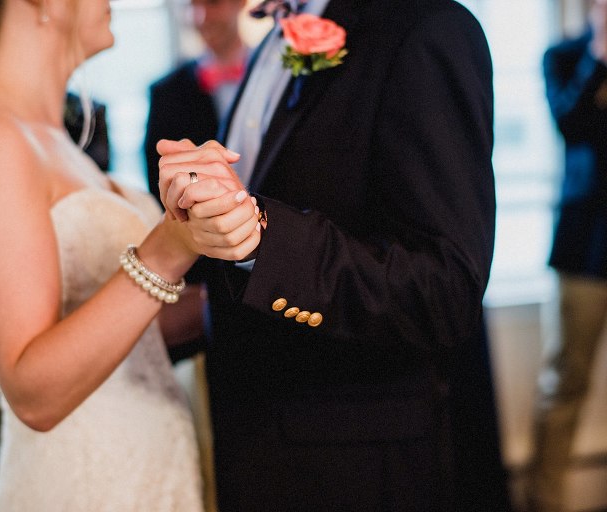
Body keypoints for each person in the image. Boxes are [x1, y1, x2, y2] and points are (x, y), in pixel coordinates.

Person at [0, 0, 259, 510]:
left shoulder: (47, 137)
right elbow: (32, 389)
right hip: (80, 485)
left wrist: (268, 270)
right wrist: (169, 248)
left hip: (149, 473)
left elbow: (131, 333)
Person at [152, 0, 512, 510]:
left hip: (356, 466)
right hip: (252, 447)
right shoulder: (271, 44)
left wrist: (264, 240)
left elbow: (445, 288)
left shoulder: (425, 29)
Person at [528, 1, 607, 510]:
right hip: (586, 244)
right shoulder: (562, 56)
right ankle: (544, 502)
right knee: (565, 381)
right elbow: (570, 126)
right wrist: (599, 56)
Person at [144, 0, 248, 202]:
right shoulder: (166, 92)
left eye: (213, 3)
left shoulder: (281, 78)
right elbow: (158, 184)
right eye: (193, 6)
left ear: (241, 3)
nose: (201, 17)